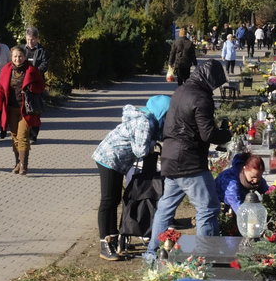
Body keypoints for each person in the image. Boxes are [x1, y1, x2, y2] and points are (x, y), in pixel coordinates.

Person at [146, 59, 232, 259]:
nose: (216, 88)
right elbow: (207, 134)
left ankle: (152, 253)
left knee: (165, 208)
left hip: (170, 157)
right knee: (208, 207)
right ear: (210, 79)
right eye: (216, 84)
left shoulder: (181, 91)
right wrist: (225, 135)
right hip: (189, 161)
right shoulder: (201, 98)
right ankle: (206, 256)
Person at [92, 95, 171, 261]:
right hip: (109, 158)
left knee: (115, 200)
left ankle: (113, 239)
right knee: (108, 200)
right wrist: (152, 145)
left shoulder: (148, 120)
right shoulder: (144, 122)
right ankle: (105, 243)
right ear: (162, 112)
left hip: (117, 161)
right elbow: (140, 150)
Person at [0, 46, 45, 175]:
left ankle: (23, 166)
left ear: (25, 56)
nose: (18, 59)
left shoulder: (31, 70)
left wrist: (31, 88)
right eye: (15, 56)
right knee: (15, 137)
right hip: (10, 109)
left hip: (25, 110)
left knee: (22, 137)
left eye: (20, 56)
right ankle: (17, 163)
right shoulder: (6, 70)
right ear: (11, 57)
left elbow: (41, 86)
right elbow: (0, 89)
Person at [23, 26, 50, 144]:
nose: (30, 42)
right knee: (24, 110)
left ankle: (33, 135)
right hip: (24, 84)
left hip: (36, 84)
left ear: (37, 39)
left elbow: (45, 64)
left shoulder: (42, 51)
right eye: (28, 39)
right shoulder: (22, 49)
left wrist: (35, 73)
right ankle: (24, 133)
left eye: (32, 39)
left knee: (35, 110)